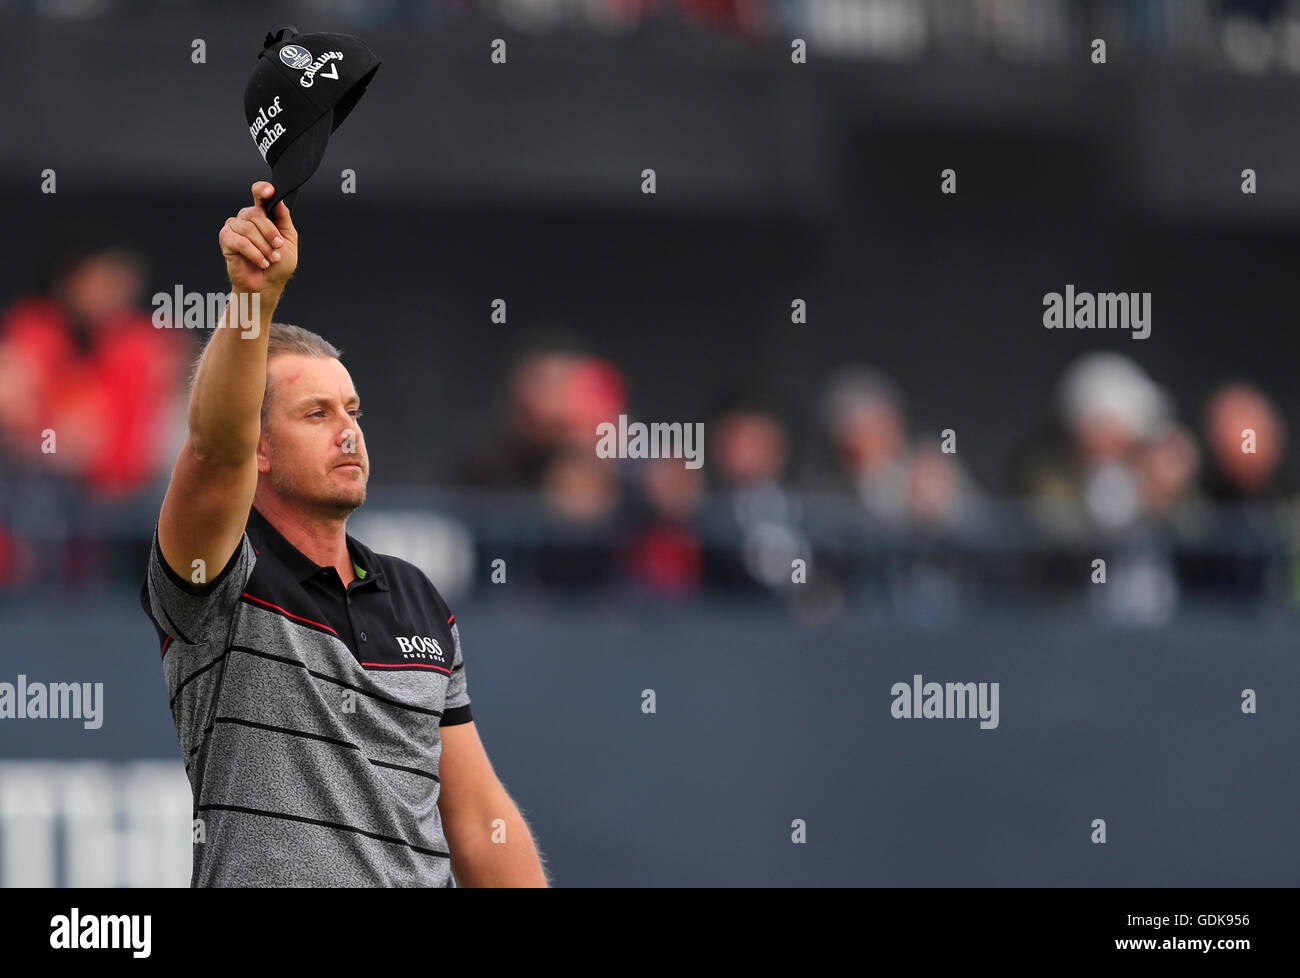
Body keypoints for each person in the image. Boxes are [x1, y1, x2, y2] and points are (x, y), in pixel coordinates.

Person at [139, 181, 548, 887]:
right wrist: (253, 301)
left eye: (352, 409)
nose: (349, 429)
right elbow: (212, 451)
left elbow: (479, 821)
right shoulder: (217, 577)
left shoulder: (416, 595)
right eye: (316, 413)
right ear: (259, 447)